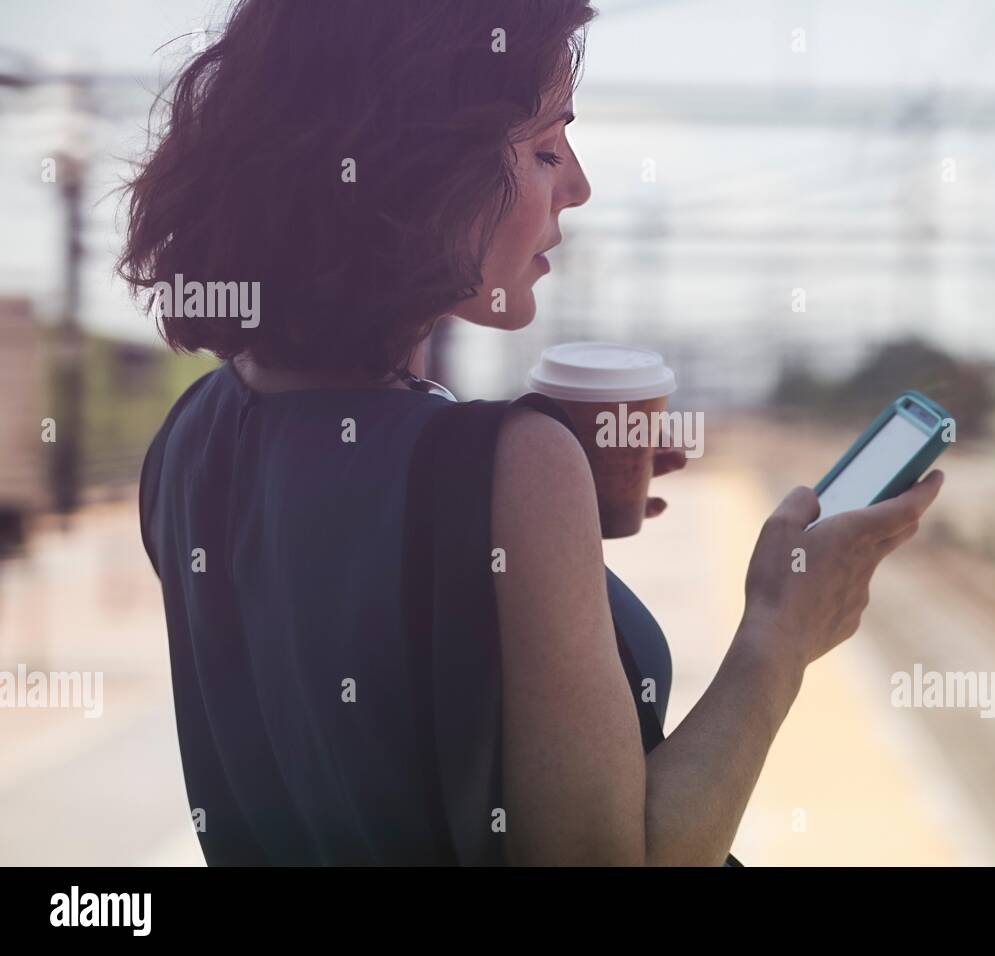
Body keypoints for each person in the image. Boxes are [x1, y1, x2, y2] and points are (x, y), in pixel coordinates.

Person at [122, 0, 943, 866]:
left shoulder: (188, 439)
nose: (578, 184)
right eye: (546, 147)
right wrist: (782, 630)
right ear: (423, 165)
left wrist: (519, 530)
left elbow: (348, 641)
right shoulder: (508, 462)